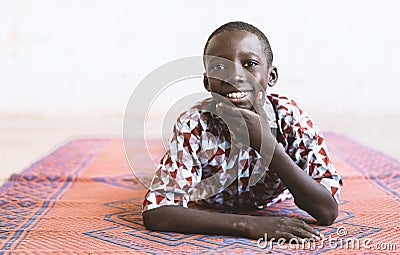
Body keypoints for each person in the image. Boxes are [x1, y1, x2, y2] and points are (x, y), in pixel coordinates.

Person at [142, 21, 343, 241]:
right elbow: (157, 213)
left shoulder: (289, 117)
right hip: (206, 201)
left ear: (271, 76)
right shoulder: (194, 124)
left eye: (249, 63)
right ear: (207, 82)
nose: (235, 76)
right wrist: (247, 224)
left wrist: (268, 147)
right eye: (219, 67)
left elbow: (327, 210)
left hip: (270, 199)